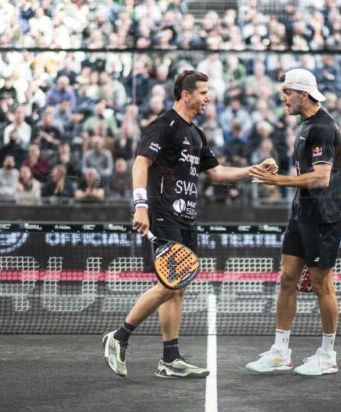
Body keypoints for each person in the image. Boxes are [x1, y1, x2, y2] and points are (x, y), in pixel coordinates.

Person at [102, 70, 277, 380]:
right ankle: (119, 336)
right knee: (171, 283)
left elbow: (218, 174)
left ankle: (170, 359)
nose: (208, 97)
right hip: (162, 213)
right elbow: (141, 162)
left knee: (178, 288)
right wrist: (140, 206)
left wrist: (255, 171)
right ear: (186, 95)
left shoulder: (196, 134)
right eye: (203, 92)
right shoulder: (164, 125)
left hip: (187, 218)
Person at [246, 68, 341, 376]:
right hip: (301, 213)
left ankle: (328, 356)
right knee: (287, 279)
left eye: (287, 92)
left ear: (304, 94)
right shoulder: (305, 126)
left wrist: (278, 180)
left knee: (321, 285)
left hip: (323, 218)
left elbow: (320, 178)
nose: (282, 97)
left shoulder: (323, 128)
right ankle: (280, 352)